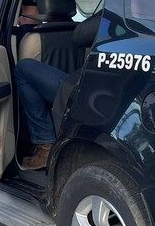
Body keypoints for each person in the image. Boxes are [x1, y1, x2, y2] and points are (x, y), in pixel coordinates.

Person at [15, 10, 101, 170]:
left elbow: (81, 34)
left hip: (81, 95)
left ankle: (44, 147)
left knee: (23, 69)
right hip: (98, 93)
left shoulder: (112, 16)